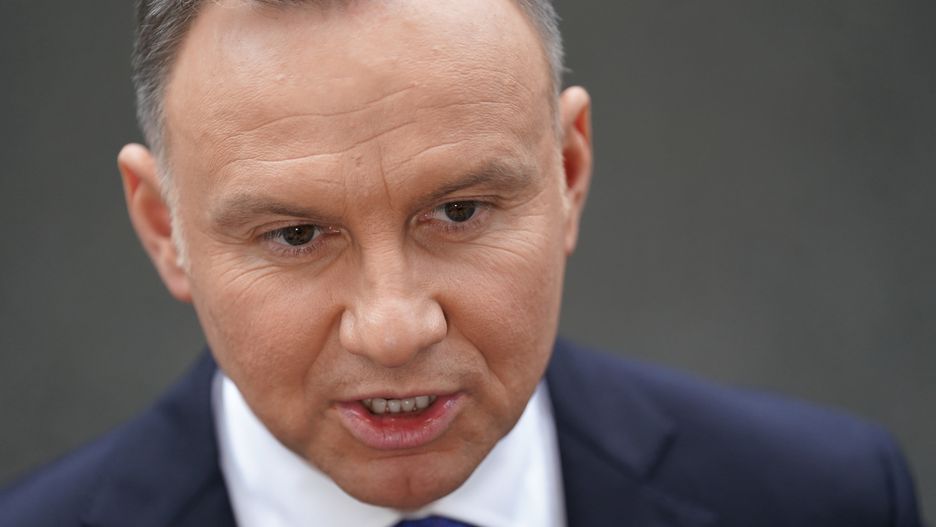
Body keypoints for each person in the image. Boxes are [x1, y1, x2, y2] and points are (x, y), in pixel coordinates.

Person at [0, 0, 924, 525]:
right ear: (165, 229)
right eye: (294, 235)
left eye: (459, 210)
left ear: (568, 170)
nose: (397, 328)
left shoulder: (825, 500)